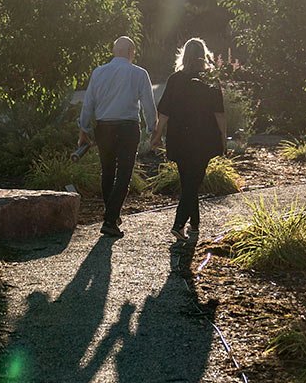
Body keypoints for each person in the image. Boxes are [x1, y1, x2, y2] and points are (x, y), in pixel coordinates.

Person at [78, 35, 158, 238]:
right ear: (131, 52)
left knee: (107, 172)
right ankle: (110, 218)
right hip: (128, 128)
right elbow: (148, 105)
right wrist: (152, 129)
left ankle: (111, 215)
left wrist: (84, 129)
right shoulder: (139, 74)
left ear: (114, 51)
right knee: (124, 173)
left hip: (104, 127)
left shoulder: (98, 72)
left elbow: (89, 103)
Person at [149, 38, 226, 240]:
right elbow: (219, 113)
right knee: (194, 181)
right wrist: (223, 138)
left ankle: (195, 224)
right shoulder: (211, 80)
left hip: (179, 137)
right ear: (204, 55)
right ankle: (179, 223)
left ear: (184, 55)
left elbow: (164, 112)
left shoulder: (175, 79)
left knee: (188, 182)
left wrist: (157, 134)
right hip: (204, 138)